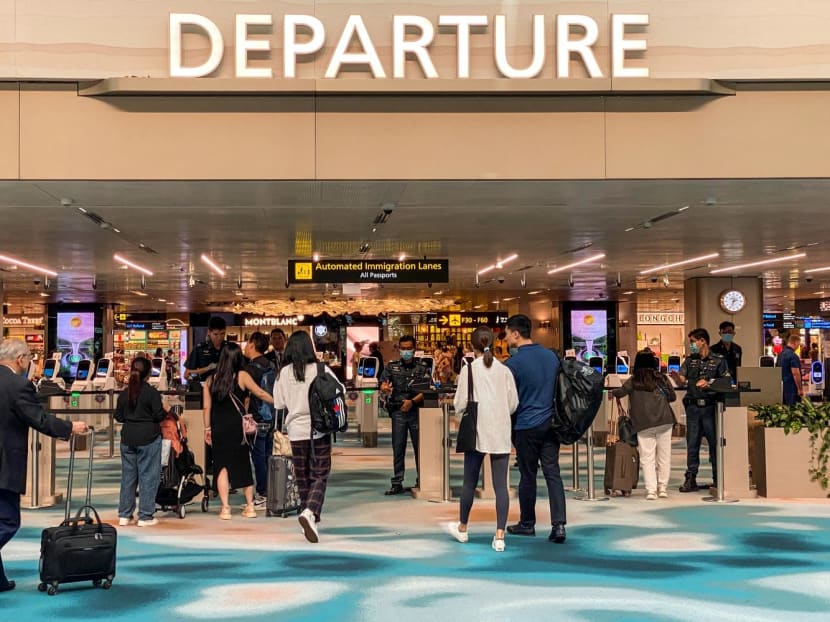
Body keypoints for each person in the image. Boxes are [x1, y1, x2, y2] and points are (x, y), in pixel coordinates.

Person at [0, 339, 87, 593]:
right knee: (8, 521)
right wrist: (70, 427)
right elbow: (38, 418)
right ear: (20, 359)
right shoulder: (17, 385)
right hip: (4, 464)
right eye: (30, 359)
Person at [446, 327, 518, 552]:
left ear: (471, 346)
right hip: (501, 431)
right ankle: (500, 536)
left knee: (469, 482)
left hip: (476, 430)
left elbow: (459, 404)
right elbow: (513, 403)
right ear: (495, 344)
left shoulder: (468, 370)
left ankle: (463, 527)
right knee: (501, 486)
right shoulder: (504, 370)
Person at [273, 331, 345, 543]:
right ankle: (310, 511)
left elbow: (279, 404)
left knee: (302, 476)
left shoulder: (283, 373)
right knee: (320, 474)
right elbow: (339, 390)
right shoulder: (320, 369)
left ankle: (307, 515)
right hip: (318, 429)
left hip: (295, 431)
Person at [503, 314, 566, 544]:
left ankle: (527, 523)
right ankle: (559, 525)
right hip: (551, 423)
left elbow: (508, 399)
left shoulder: (512, 364)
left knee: (528, 475)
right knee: (552, 473)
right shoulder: (551, 357)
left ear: (515, 334)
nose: (506, 338)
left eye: (507, 333)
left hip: (526, 425)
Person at [203, 342, 274, 520]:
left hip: (218, 427)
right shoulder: (241, 376)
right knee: (243, 464)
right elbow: (259, 393)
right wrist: (277, 401)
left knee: (221, 466)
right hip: (237, 428)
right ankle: (250, 506)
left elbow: (206, 408)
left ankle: (225, 508)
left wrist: (207, 428)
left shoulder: (210, 380)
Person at [670, 328, 731, 493]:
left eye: (693, 342)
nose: (691, 345)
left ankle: (718, 478)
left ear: (703, 341)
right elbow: (682, 381)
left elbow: (727, 382)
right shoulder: (690, 361)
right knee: (692, 445)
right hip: (693, 409)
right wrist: (676, 378)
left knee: (714, 445)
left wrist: (709, 383)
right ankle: (691, 478)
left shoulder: (718, 360)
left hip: (711, 408)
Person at [612, 352, 677, 500]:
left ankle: (651, 490)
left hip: (643, 423)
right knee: (664, 456)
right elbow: (672, 397)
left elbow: (620, 392)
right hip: (664, 420)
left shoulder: (634, 380)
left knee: (647, 458)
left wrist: (612, 392)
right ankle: (663, 488)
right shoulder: (661, 378)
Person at [115, 357, 167, 527]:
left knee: (128, 477)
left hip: (128, 438)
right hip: (148, 438)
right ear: (149, 373)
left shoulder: (124, 393)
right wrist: (165, 410)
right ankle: (145, 516)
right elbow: (159, 415)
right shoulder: (152, 393)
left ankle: (124, 515)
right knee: (148, 476)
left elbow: (118, 416)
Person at [379, 335, 432, 495]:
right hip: (398, 411)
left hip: (416, 411)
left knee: (420, 447)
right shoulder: (392, 367)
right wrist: (385, 388)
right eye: (403, 348)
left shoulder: (422, 368)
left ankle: (422, 479)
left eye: (409, 348)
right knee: (398, 447)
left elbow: (427, 389)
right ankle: (397, 482)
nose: (406, 351)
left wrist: (412, 402)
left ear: (414, 349)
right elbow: (383, 384)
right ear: (399, 349)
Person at [243, 331, 276, 508]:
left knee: (258, 457)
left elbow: (248, 396)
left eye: (247, 343)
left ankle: (262, 492)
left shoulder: (249, 369)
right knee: (268, 455)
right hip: (271, 416)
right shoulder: (271, 365)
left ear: (252, 344)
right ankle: (271, 490)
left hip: (256, 418)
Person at [184, 316, 228, 382]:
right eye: (215, 334)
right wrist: (207, 368)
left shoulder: (230, 348)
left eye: (222, 334)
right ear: (209, 332)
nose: (219, 338)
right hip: (204, 385)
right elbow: (187, 374)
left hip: (226, 386)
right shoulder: (199, 349)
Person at [776, 334, 803, 406]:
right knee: (793, 409)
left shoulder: (780, 355)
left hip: (782, 388)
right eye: (798, 344)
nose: (798, 346)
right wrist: (800, 389)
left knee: (784, 409)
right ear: (795, 342)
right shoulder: (793, 356)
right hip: (792, 389)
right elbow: (795, 373)